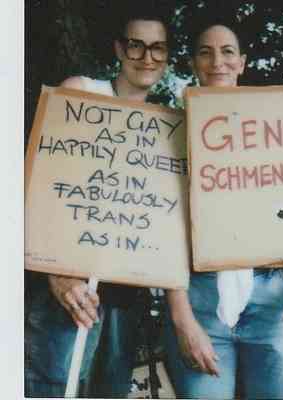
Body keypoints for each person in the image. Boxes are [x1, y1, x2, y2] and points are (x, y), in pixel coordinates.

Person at [164, 17, 283, 400]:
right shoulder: (171, 133)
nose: (217, 61)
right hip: (200, 297)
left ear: (243, 61)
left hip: (273, 300)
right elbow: (161, 229)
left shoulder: (273, 128)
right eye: (205, 52)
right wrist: (182, 320)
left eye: (228, 51)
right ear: (193, 63)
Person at [25, 5, 170, 398]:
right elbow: (37, 187)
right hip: (68, 291)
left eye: (158, 48)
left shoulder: (167, 128)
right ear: (119, 49)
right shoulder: (82, 91)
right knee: (55, 387)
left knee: (110, 390)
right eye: (136, 45)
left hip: (126, 292)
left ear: (167, 56)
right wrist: (57, 274)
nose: (147, 57)